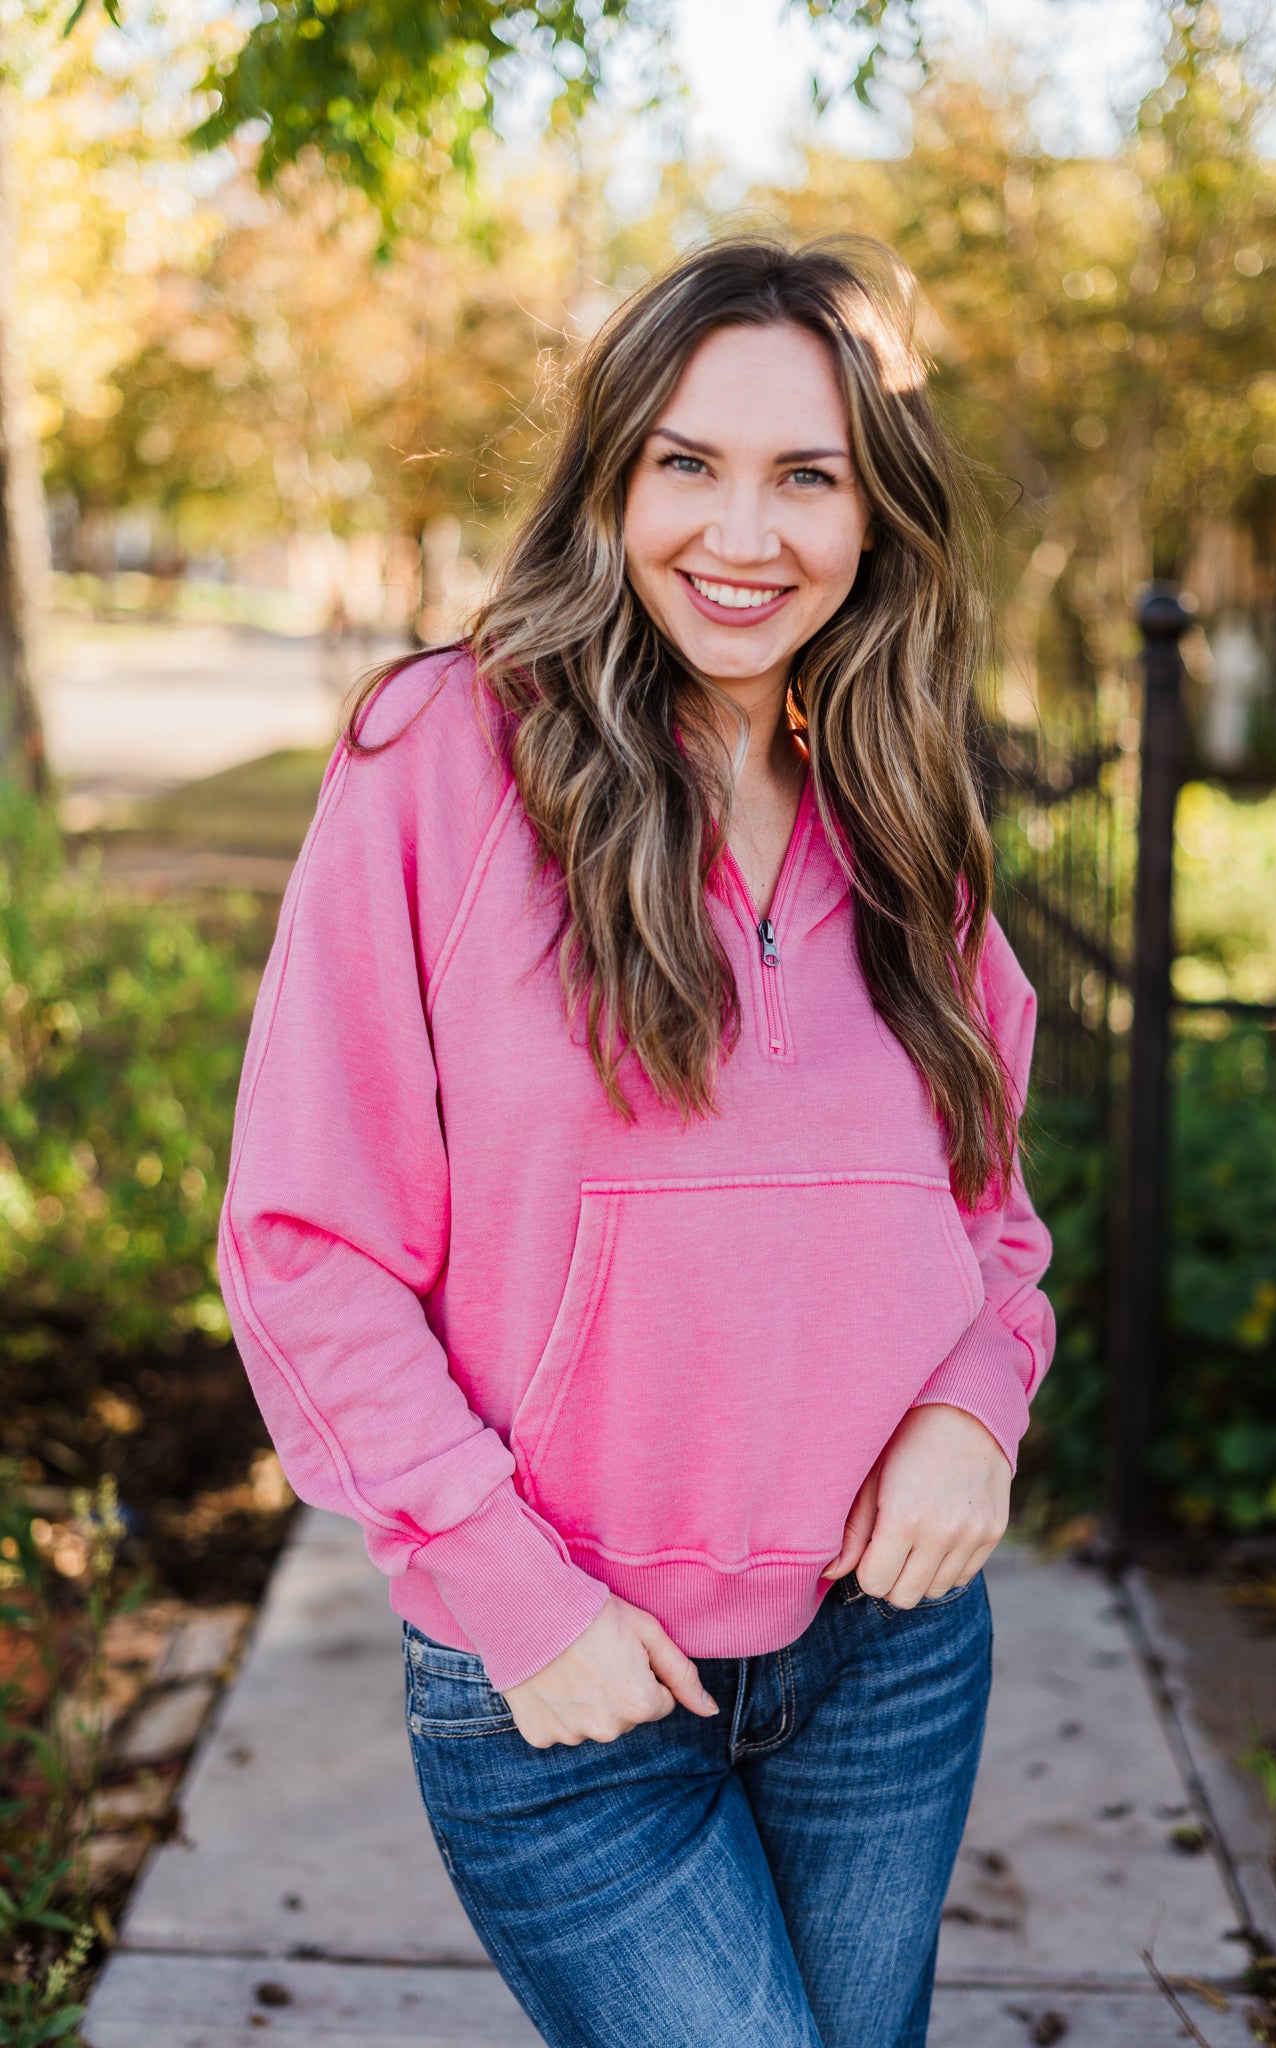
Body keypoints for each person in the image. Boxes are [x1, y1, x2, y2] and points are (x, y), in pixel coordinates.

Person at [220, 235, 1055, 2048]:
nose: (739, 535)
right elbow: (303, 1242)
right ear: (609, 477)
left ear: (874, 516)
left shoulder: (908, 813)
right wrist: (506, 1594)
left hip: (887, 1654)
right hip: (572, 1675)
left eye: (805, 476)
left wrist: (971, 1406)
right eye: (686, 461)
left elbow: (984, 1215)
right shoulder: (440, 755)